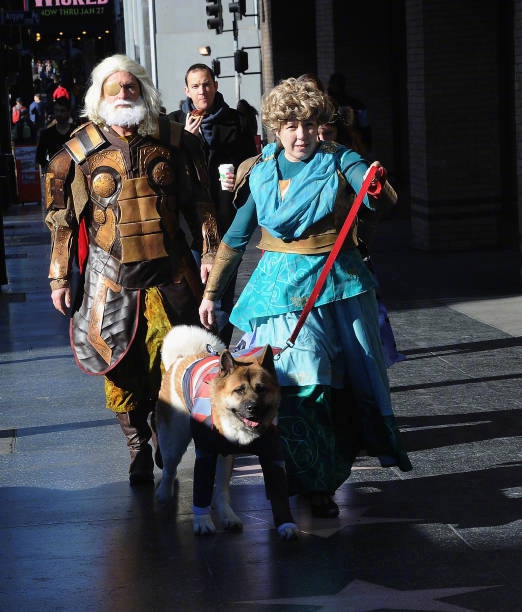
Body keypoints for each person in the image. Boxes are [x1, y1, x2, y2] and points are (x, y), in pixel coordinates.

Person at [199, 77, 411, 518]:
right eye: (291, 126)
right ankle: (307, 480)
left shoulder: (340, 159)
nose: (301, 135)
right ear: (276, 128)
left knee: (347, 386)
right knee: (301, 385)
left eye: (310, 125)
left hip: (339, 287)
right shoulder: (260, 170)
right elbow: (236, 237)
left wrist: (375, 184)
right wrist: (211, 294)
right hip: (278, 292)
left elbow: (377, 195)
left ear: (321, 126)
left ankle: (326, 476)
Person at [44, 54, 220, 485]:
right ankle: (137, 446)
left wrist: (210, 253)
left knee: (173, 361)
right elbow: (62, 220)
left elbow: (201, 204)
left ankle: (163, 430)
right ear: (100, 95)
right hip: (109, 276)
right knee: (119, 365)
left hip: (170, 271)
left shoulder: (175, 142)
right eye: (114, 87)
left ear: (143, 91)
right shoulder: (77, 153)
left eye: (131, 86)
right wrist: (59, 276)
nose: (123, 94)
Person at [168, 64, 258, 344]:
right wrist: (184, 141)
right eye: (195, 86)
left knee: (221, 292)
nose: (202, 91)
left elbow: (252, 165)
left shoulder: (237, 122)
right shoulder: (174, 124)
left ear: (216, 86)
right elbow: (167, 174)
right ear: (187, 91)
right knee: (192, 293)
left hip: (225, 217)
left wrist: (239, 178)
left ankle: (220, 351)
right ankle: (199, 352)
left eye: (206, 84)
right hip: (190, 226)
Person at [318, 107, 405, 367]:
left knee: (364, 320)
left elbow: (378, 206)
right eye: (317, 133)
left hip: (351, 252)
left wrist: (374, 188)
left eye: (328, 133)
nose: (322, 140)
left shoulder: (349, 160)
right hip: (314, 259)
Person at [327, 72, 372, 154]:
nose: (336, 86)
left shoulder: (356, 104)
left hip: (349, 140)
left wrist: (365, 143)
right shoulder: (325, 105)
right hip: (331, 143)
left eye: (338, 84)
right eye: (334, 83)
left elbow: (364, 126)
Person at [35, 97, 75, 173]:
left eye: (62, 111)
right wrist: (51, 167)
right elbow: (40, 157)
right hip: (55, 174)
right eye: (56, 110)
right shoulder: (46, 134)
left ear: (68, 112)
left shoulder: (76, 132)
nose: (59, 114)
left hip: (75, 174)